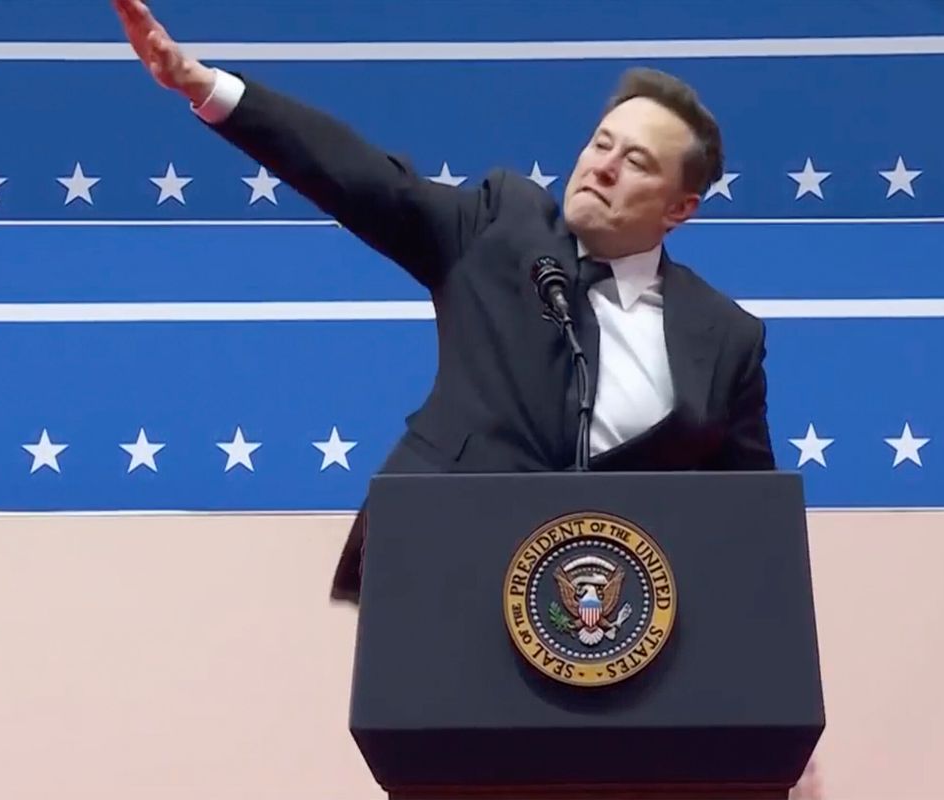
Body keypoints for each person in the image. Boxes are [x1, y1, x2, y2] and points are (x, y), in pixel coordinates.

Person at [111, 0, 777, 603]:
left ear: (680, 208)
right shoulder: (501, 226)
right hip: (443, 571)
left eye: (635, 161)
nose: (602, 166)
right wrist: (204, 86)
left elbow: (747, 528)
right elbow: (363, 179)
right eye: (600, 143)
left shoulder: (724, 338)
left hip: (609, 622)